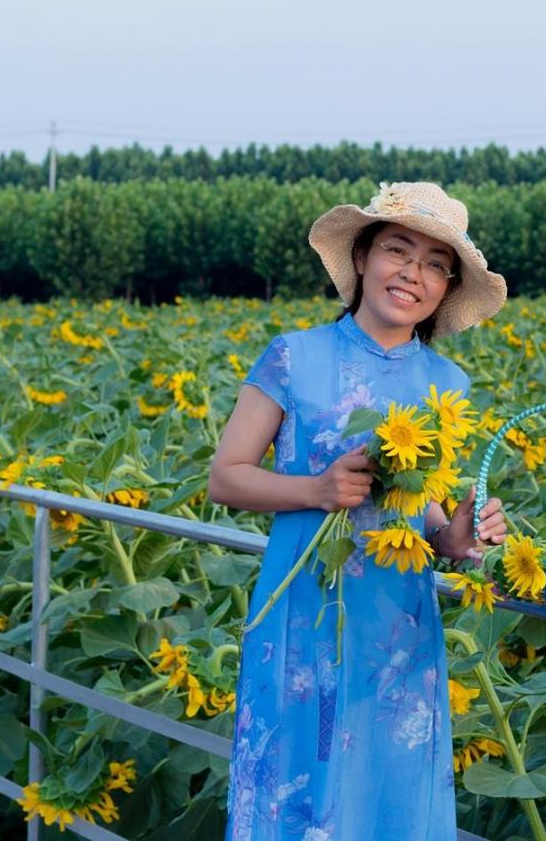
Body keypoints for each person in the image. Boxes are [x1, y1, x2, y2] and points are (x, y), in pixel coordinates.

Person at [209, 181, 509, 841]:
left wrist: (456, 536)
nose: (413, 273)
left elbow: (423, 513)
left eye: (436, 264)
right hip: (300, 613)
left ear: (447, 288)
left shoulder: (447, 385)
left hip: (396, 629)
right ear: (365, 256)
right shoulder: (294, 354)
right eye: (398, 250)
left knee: (389, 791)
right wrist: (315, 490)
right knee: (292, 776)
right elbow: (225, 477)